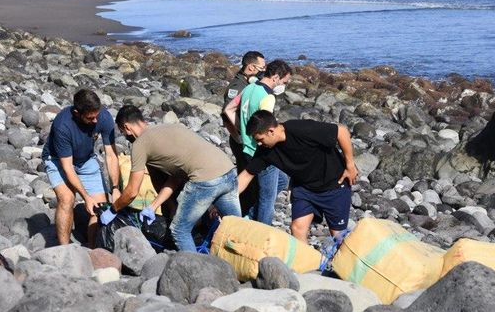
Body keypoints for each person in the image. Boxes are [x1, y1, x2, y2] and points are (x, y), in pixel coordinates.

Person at [102, 105, 241, 252]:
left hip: (205, 180)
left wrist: (113, 209)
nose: (125, 136)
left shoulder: (140, 144)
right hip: (228, 170)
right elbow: (176, 177)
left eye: (123, 132)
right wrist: (156, 206)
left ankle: (197, 271)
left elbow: (131, 191)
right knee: (236, 227)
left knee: (179, 230)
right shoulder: (170, 128)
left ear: (126, 127)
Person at [237, 110, 359, 244]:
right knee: (297, 228)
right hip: (304, 188)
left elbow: (341, 131)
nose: (259, 144)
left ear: (271, 131)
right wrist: (227, 196)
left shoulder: (301, 129)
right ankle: (307, 264)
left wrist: (350, 165)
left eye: (260, 139)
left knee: (338, 237)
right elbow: (247, 174)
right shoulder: (265, 150)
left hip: (334, 185)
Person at [41, 89, 120, 246]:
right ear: (77, 113)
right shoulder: (62, 125)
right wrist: (86, 197)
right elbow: (68, 167)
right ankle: (65, 249)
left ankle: (92, 248)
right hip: (57, 160)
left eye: (97, 116)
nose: (96, 121)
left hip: (86, 159)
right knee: (67, 199)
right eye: (90, 118)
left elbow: (111, 155)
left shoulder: (103, 117)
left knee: (100, 207)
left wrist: (116, 188)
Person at [224, 59, 292, 225]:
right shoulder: (268, 97)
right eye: (284, 82)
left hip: (246, 147)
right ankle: (261, 231)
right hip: (261, 151)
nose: (284, 85)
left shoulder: (249, 87)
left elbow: (228, 109)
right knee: (267, 200)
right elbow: (266, 127)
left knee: (283, 180)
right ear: (276, 77)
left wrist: (241, 131)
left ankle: (250, 215)